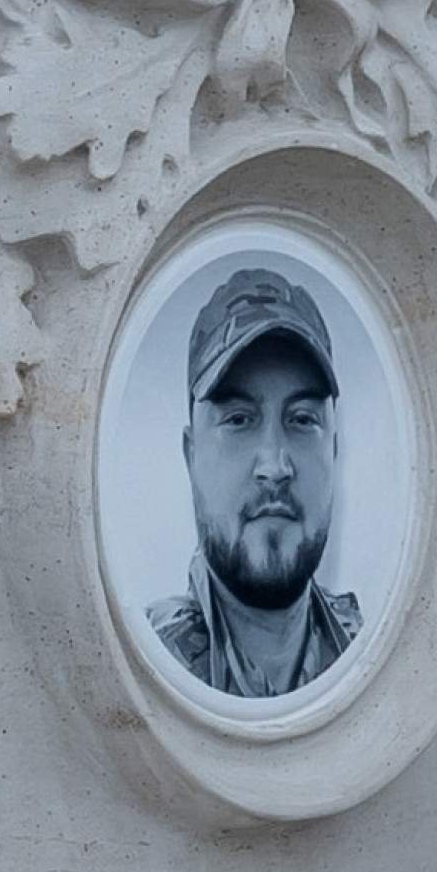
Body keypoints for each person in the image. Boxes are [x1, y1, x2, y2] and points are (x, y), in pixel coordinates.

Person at [147, 266, 362, 700]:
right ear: (191, 455)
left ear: (334, 451)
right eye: (239, 420)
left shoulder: (378, 660)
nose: (275, 466)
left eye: (302, 419)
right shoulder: (141, 665)